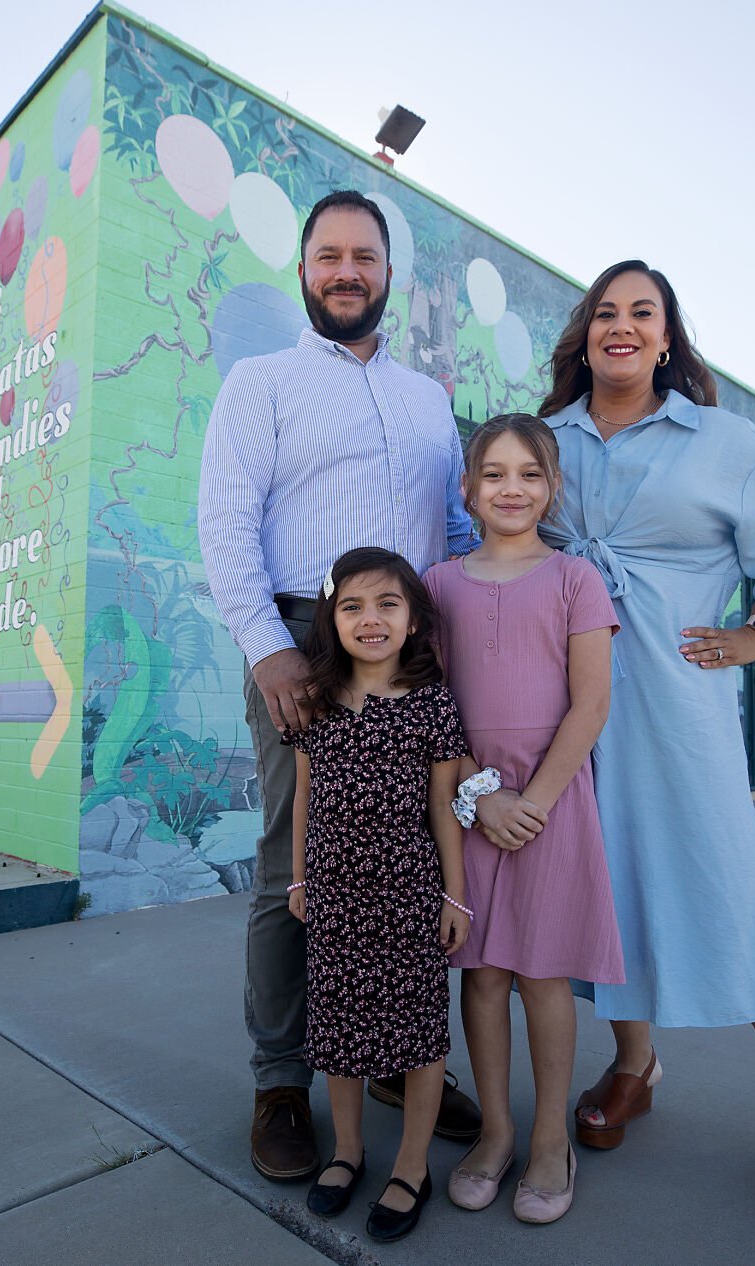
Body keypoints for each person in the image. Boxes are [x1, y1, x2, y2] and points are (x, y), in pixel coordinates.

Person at [534, 260, 755, 1227]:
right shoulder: (545, 440)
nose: (623, 327)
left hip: (679, 714)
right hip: (565, 713)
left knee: (731, 896)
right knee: (605, 889)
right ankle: (634, 1066)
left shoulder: (723, 441)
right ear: (584, 335)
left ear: (669, 336)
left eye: (644, 312)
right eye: (606, 313)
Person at [197, 190, 481, 1184]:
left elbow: (451, 533)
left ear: (387, 275)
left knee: (402, 860)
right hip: (303, 637)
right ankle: (281, 1081)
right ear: (305, 269)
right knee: (296, 863)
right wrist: (269, 648)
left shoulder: (428, 402)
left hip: (410, 645)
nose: (345, 270)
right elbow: (224, 518)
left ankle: (398, 1065)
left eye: (363, 255)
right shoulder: (261, 382)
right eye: (328, 256)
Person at [423, 415, 623, 1225]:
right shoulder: (436, 584)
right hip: (469, 804)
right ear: (467, 489)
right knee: (482, 972)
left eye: (529, 475)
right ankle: (496, 1132)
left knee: (541, 973)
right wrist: (481, 796)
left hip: (551, 803)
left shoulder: (575, 578)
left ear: (552, 489)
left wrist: (532, 802)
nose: (512, 489)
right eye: (494, 474)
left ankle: (548, 1138)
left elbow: (593, 701)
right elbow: (431, 709)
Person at [286, 547, 472, 1242]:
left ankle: (412, 1166)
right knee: (338, 1029)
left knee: (419, 1033)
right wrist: (301, 877)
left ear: (414, 620)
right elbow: (304, 795)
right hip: (334, 896)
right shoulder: (314, 704)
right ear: (331, 620)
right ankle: (348, 1152)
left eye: (387, 604)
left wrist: (454, 897)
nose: (370, 620)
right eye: (352, 606)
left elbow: (444, 807)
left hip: (409, 896)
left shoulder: (432, 705)